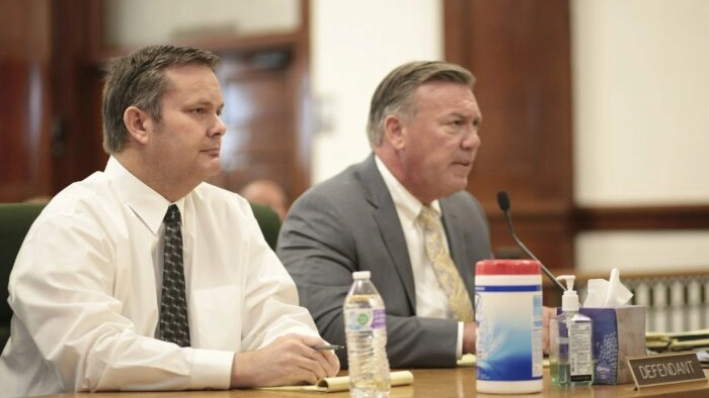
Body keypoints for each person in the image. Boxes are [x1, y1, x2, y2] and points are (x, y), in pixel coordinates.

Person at [0, 45, 338, 396]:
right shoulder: (71, 223)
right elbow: (95, 359)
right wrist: (239, 368)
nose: (220, 127)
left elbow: (277, 315)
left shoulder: (231, 214)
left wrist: (296, 352)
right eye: (199, 111)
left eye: (218, 112)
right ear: (139, 124)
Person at [278, 61, 552, 368]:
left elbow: (485, 316)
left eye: (475, 124)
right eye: (455, 123)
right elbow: (327, 330)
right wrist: (467, 336)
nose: (473, 140)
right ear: (396, 131)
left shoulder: (465, 210)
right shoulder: (327, 210)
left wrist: (524, 319)